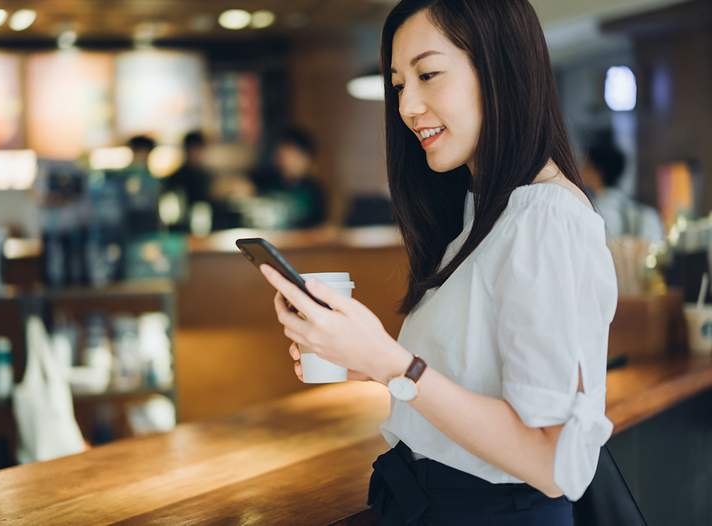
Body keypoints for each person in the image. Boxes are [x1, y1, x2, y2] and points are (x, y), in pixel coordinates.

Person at [257, 1, 618, 524]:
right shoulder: (481, 212)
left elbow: (551, 461)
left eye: (428, 74)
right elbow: (475, 384)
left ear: (501, 69)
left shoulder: (547, 217)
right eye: (400, 84)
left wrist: (393, 364)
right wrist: (370, 363)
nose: (407, 106)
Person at [582, 134, 664, 242]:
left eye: (585, 165)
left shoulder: (597, 210)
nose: (580, 169)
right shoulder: (639, 210)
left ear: (597, 172)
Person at [253, 127, 327, 229]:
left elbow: (320, 225)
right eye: (287, 155)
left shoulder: (314, 190)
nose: (291, 161)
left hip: (301, 242)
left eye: (297, 156)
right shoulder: (264, 181)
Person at [161, 131, 213, 208]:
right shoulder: (176, 177)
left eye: (199, 150)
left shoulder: (206, 176)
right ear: (186, 150)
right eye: (193, 149)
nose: (196, 154)